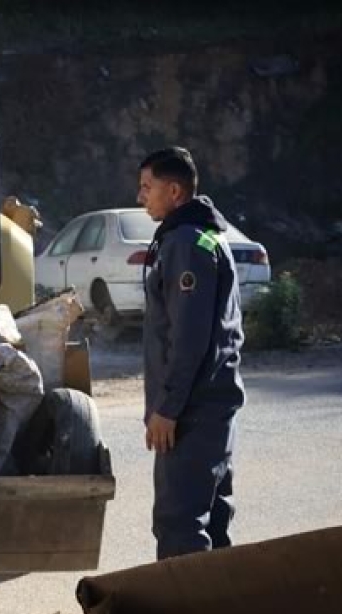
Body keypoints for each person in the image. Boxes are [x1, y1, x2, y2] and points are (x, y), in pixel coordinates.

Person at [137, 146, 245, 560]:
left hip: (191, 413)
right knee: (212, 520)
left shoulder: (186, 243)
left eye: (148, 187)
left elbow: (190, 339)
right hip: (210, 406)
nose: (141, 196)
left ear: (175, 191)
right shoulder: (200, 237)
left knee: (179, 523)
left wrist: (167, 409)